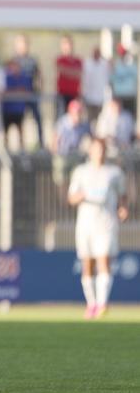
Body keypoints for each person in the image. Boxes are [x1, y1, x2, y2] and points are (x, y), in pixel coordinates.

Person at [67, 137, 128, 319]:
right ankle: (91, 304)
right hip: (86, 225)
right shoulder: (80, 172)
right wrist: (83, 195)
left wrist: (123, 208)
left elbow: (122, 195)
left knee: (104, 261)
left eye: (102, 149)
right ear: (90, 151)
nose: (99, 153)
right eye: (96, 149)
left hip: (106, 224)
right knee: (88, 264)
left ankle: (102, 304)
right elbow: (71, 198)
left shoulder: (114, 173)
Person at [55, 35, 82, 116]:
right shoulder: (59, 59)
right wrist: (72, 72)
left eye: (69, 43)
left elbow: (79, 74)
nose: (67, 46)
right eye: (65, 43)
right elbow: (61, 70)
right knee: (61, 117)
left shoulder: (78, 60)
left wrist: (67, 71)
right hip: (62, 94)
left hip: (75, 94)